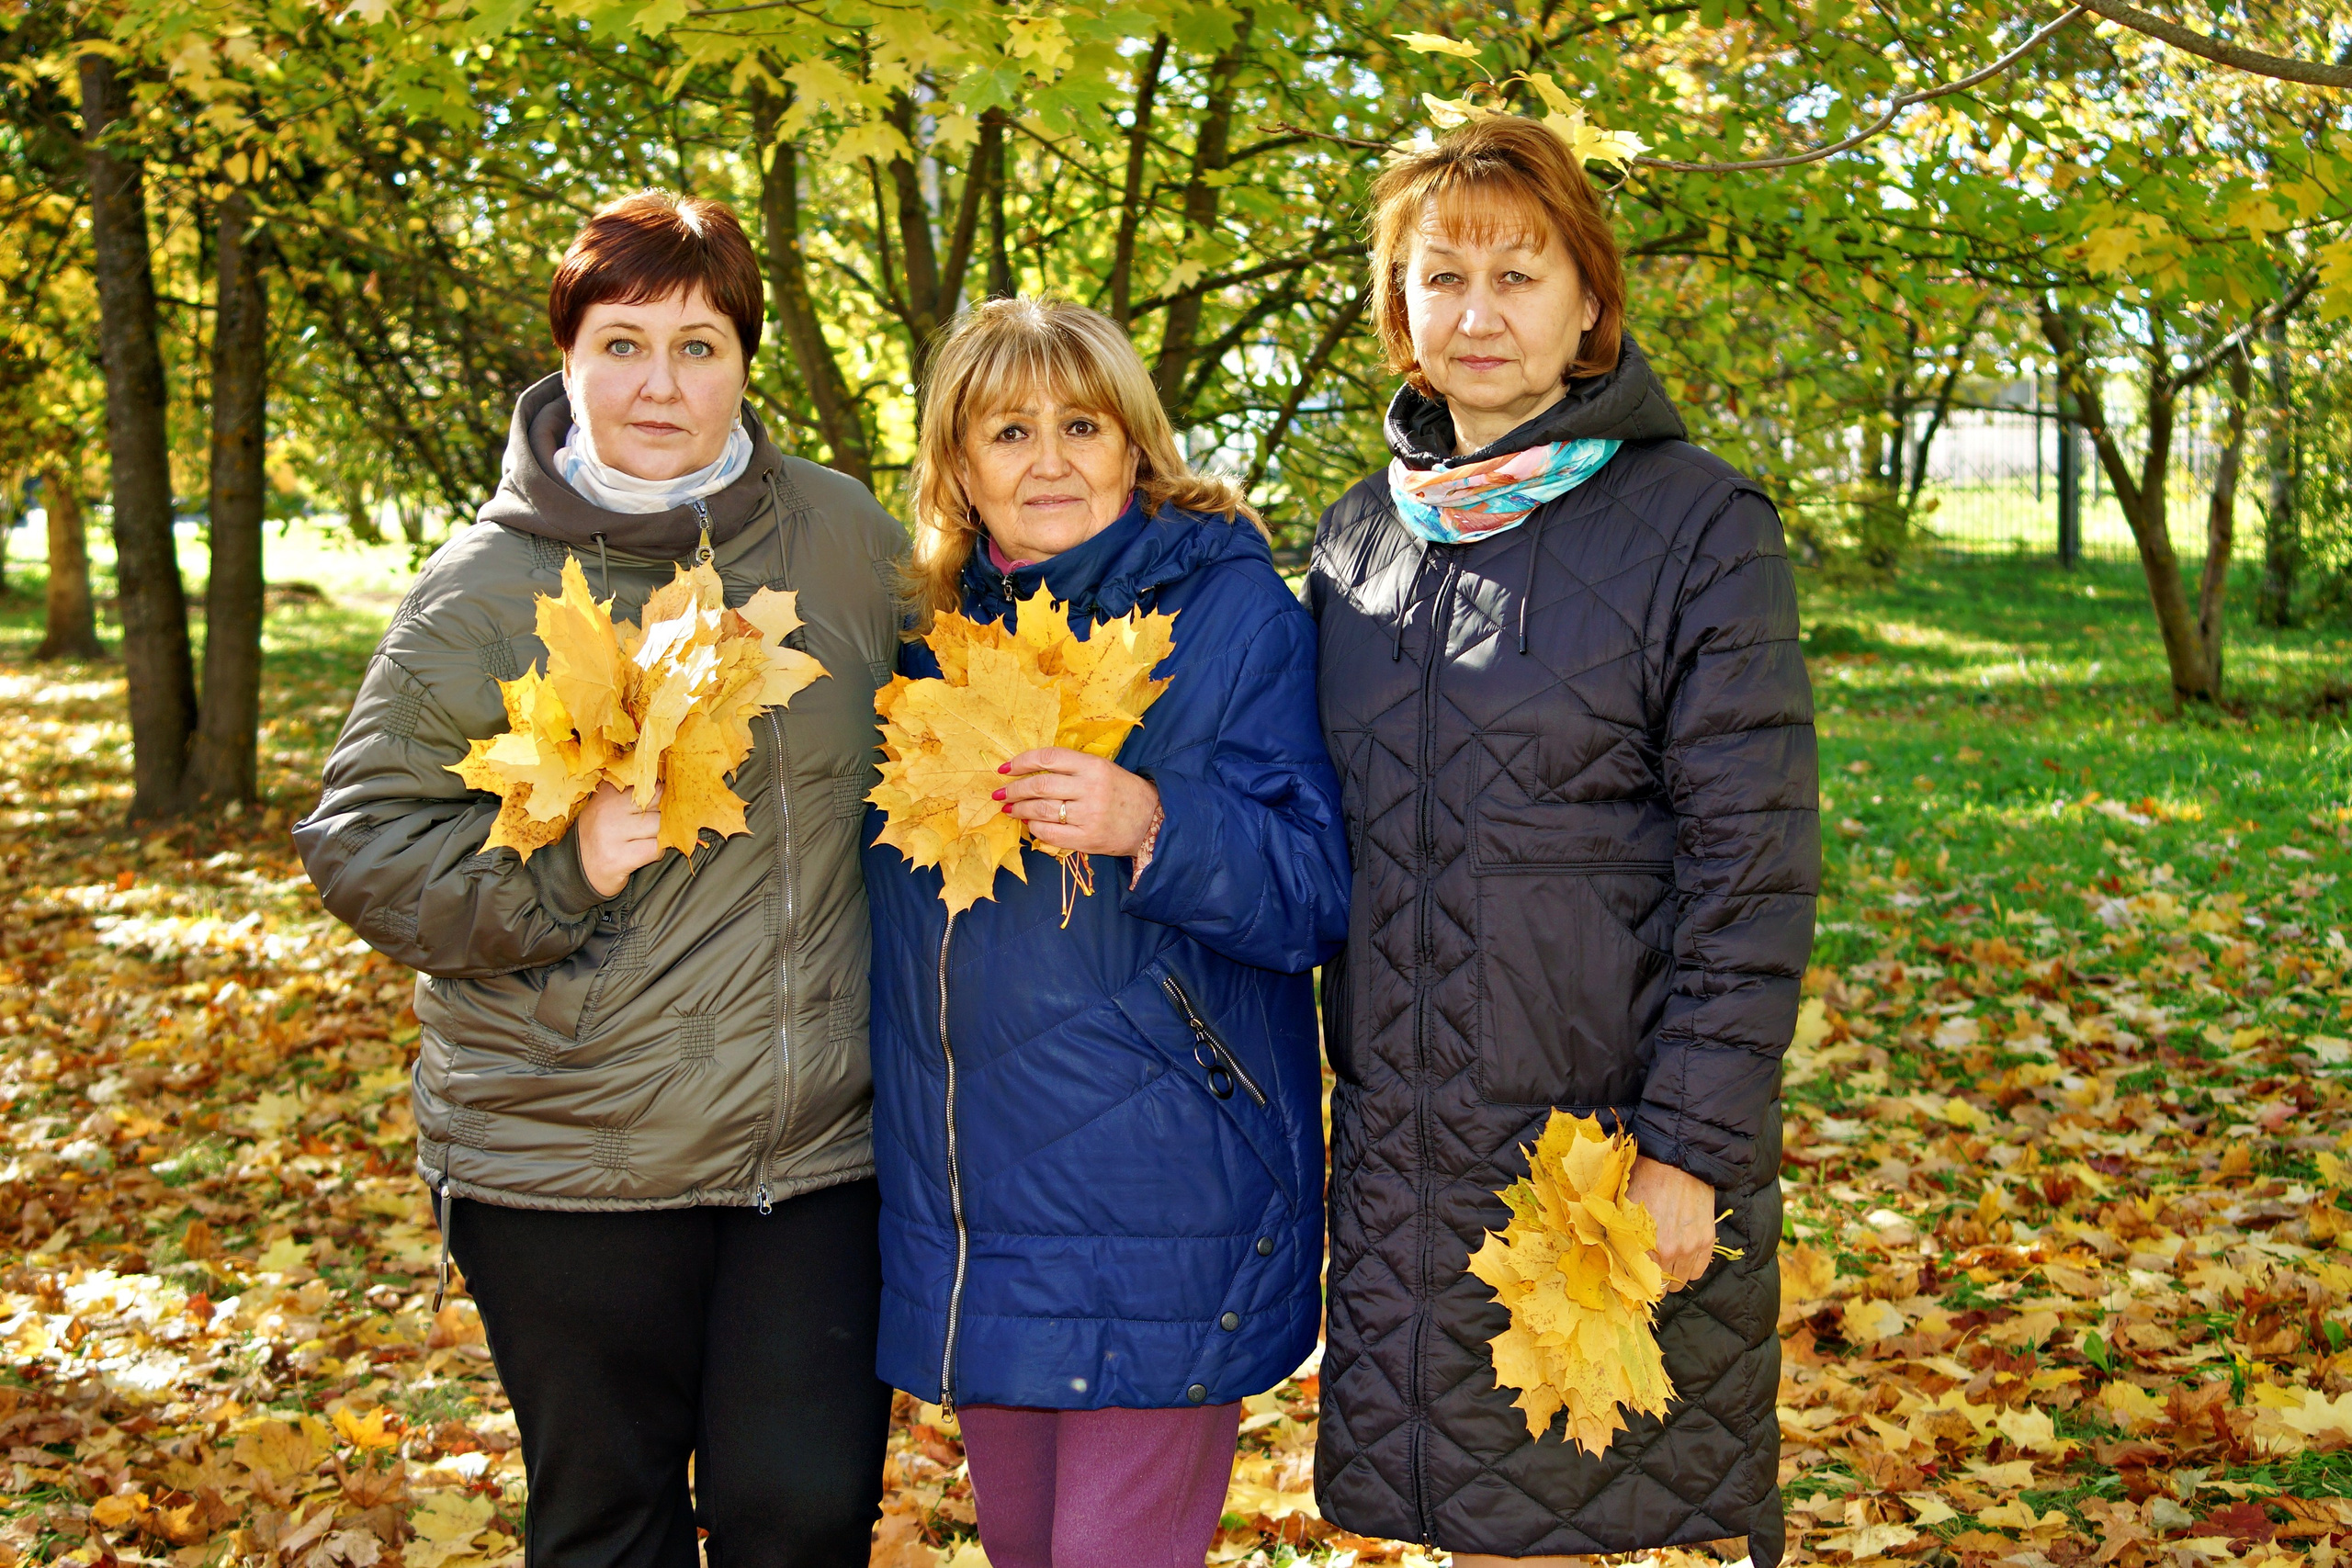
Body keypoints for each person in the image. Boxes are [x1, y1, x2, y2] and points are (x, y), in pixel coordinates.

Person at [295, 191, 908, 1568]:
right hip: (563, 1156)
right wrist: (561, 872)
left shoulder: (846, 540)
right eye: (623, 343)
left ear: (745, 360)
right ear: (566, 357)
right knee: (608, 1527)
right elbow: (363, 846)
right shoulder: (478, 588)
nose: (659, 384)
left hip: (812, 1152)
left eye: (697, 345)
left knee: (802, 1512)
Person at [1307, 116, 1820, 1567]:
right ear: (1398, 306)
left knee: (1584, 1517)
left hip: (1595, 1148)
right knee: (1472, 1526)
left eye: (1519, 276)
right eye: (1441, 275)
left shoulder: (1699, 525)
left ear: (1589, 303)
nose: (1478, 314)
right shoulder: (1357, 544)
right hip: (1408, 1154)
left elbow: (1755, 870)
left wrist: (1691, 1150)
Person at [863, 297, 1351, 1568]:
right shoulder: (926, 643)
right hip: (978, 1204)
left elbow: (1314, 889)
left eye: (1083, 424)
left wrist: (1155, 821)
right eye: (1008, 430)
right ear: (956, 467)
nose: (1050, 460)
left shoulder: (1230, 614)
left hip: (1165, 1198)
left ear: (1137, 444)